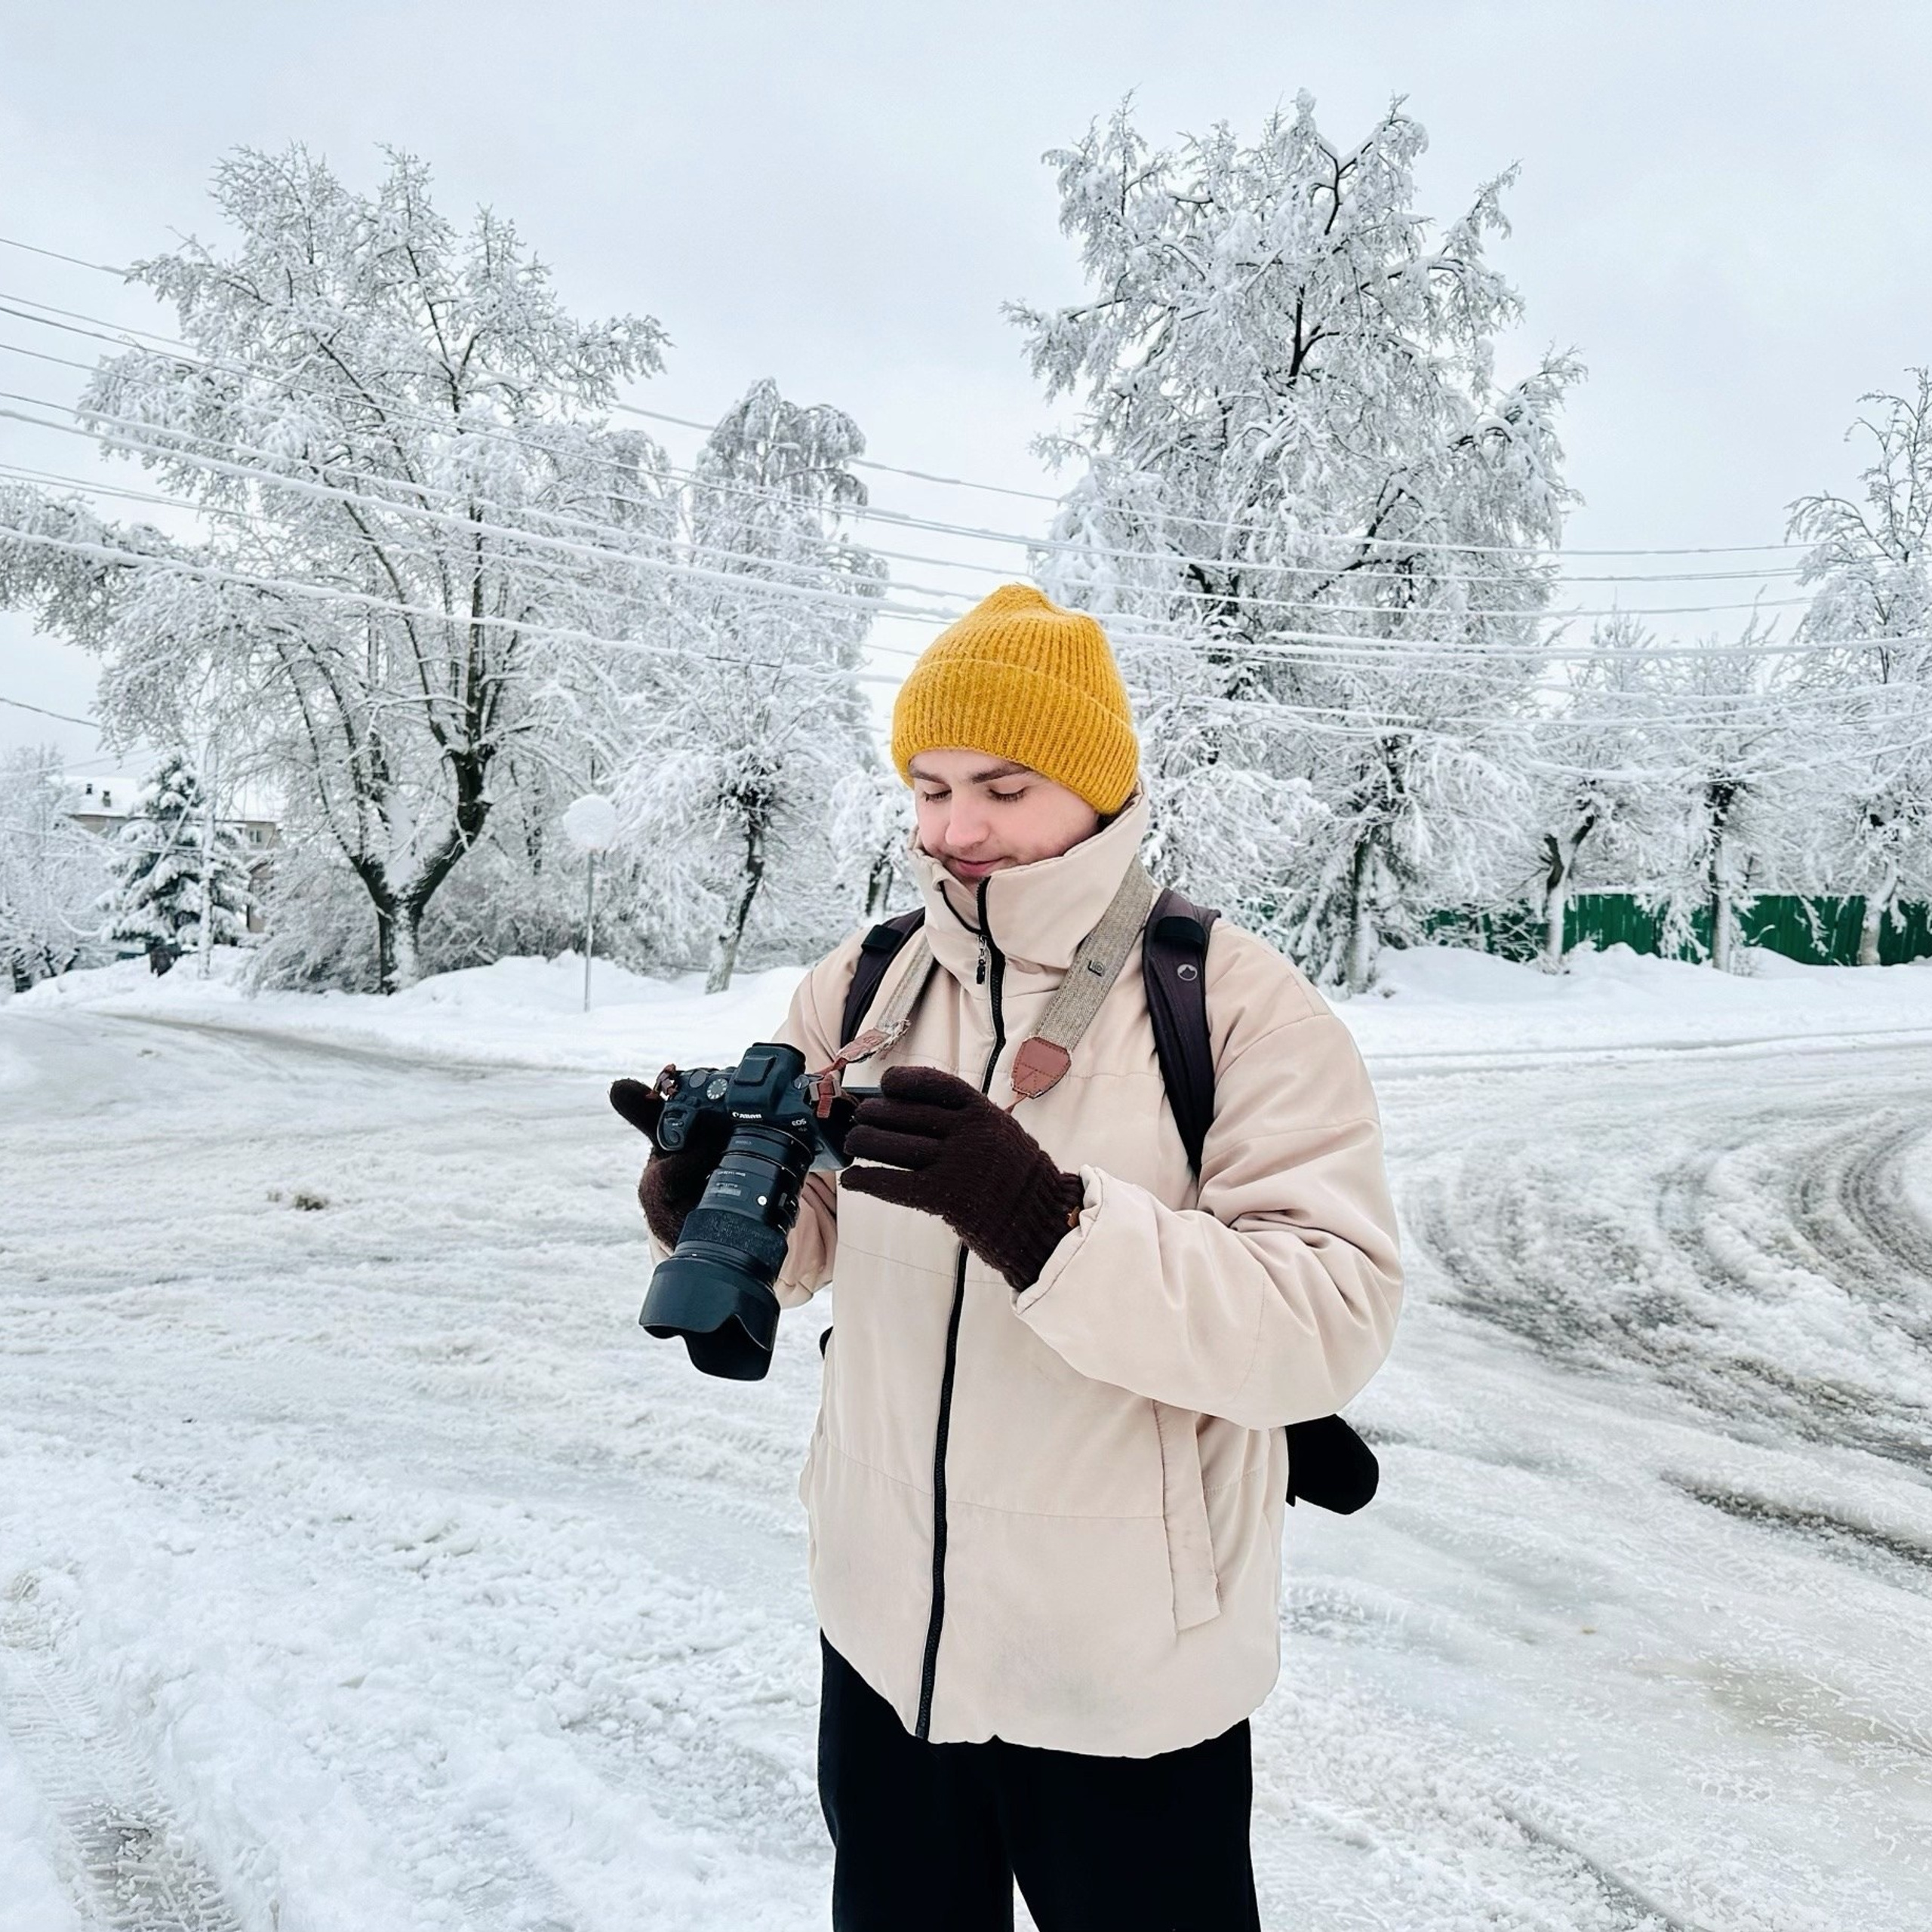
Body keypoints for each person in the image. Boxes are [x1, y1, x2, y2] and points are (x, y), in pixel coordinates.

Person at [635, 583, 1403, 1930]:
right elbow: (816, 1255)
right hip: (884, 1649)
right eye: (929, 787)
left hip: (1125, 1673)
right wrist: (711, 1196)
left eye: (1003, 784)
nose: (956, 828)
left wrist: (1044, 1221)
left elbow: (1326, 1315)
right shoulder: (865, 984)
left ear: (1098, 790)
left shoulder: (1228, 1001)